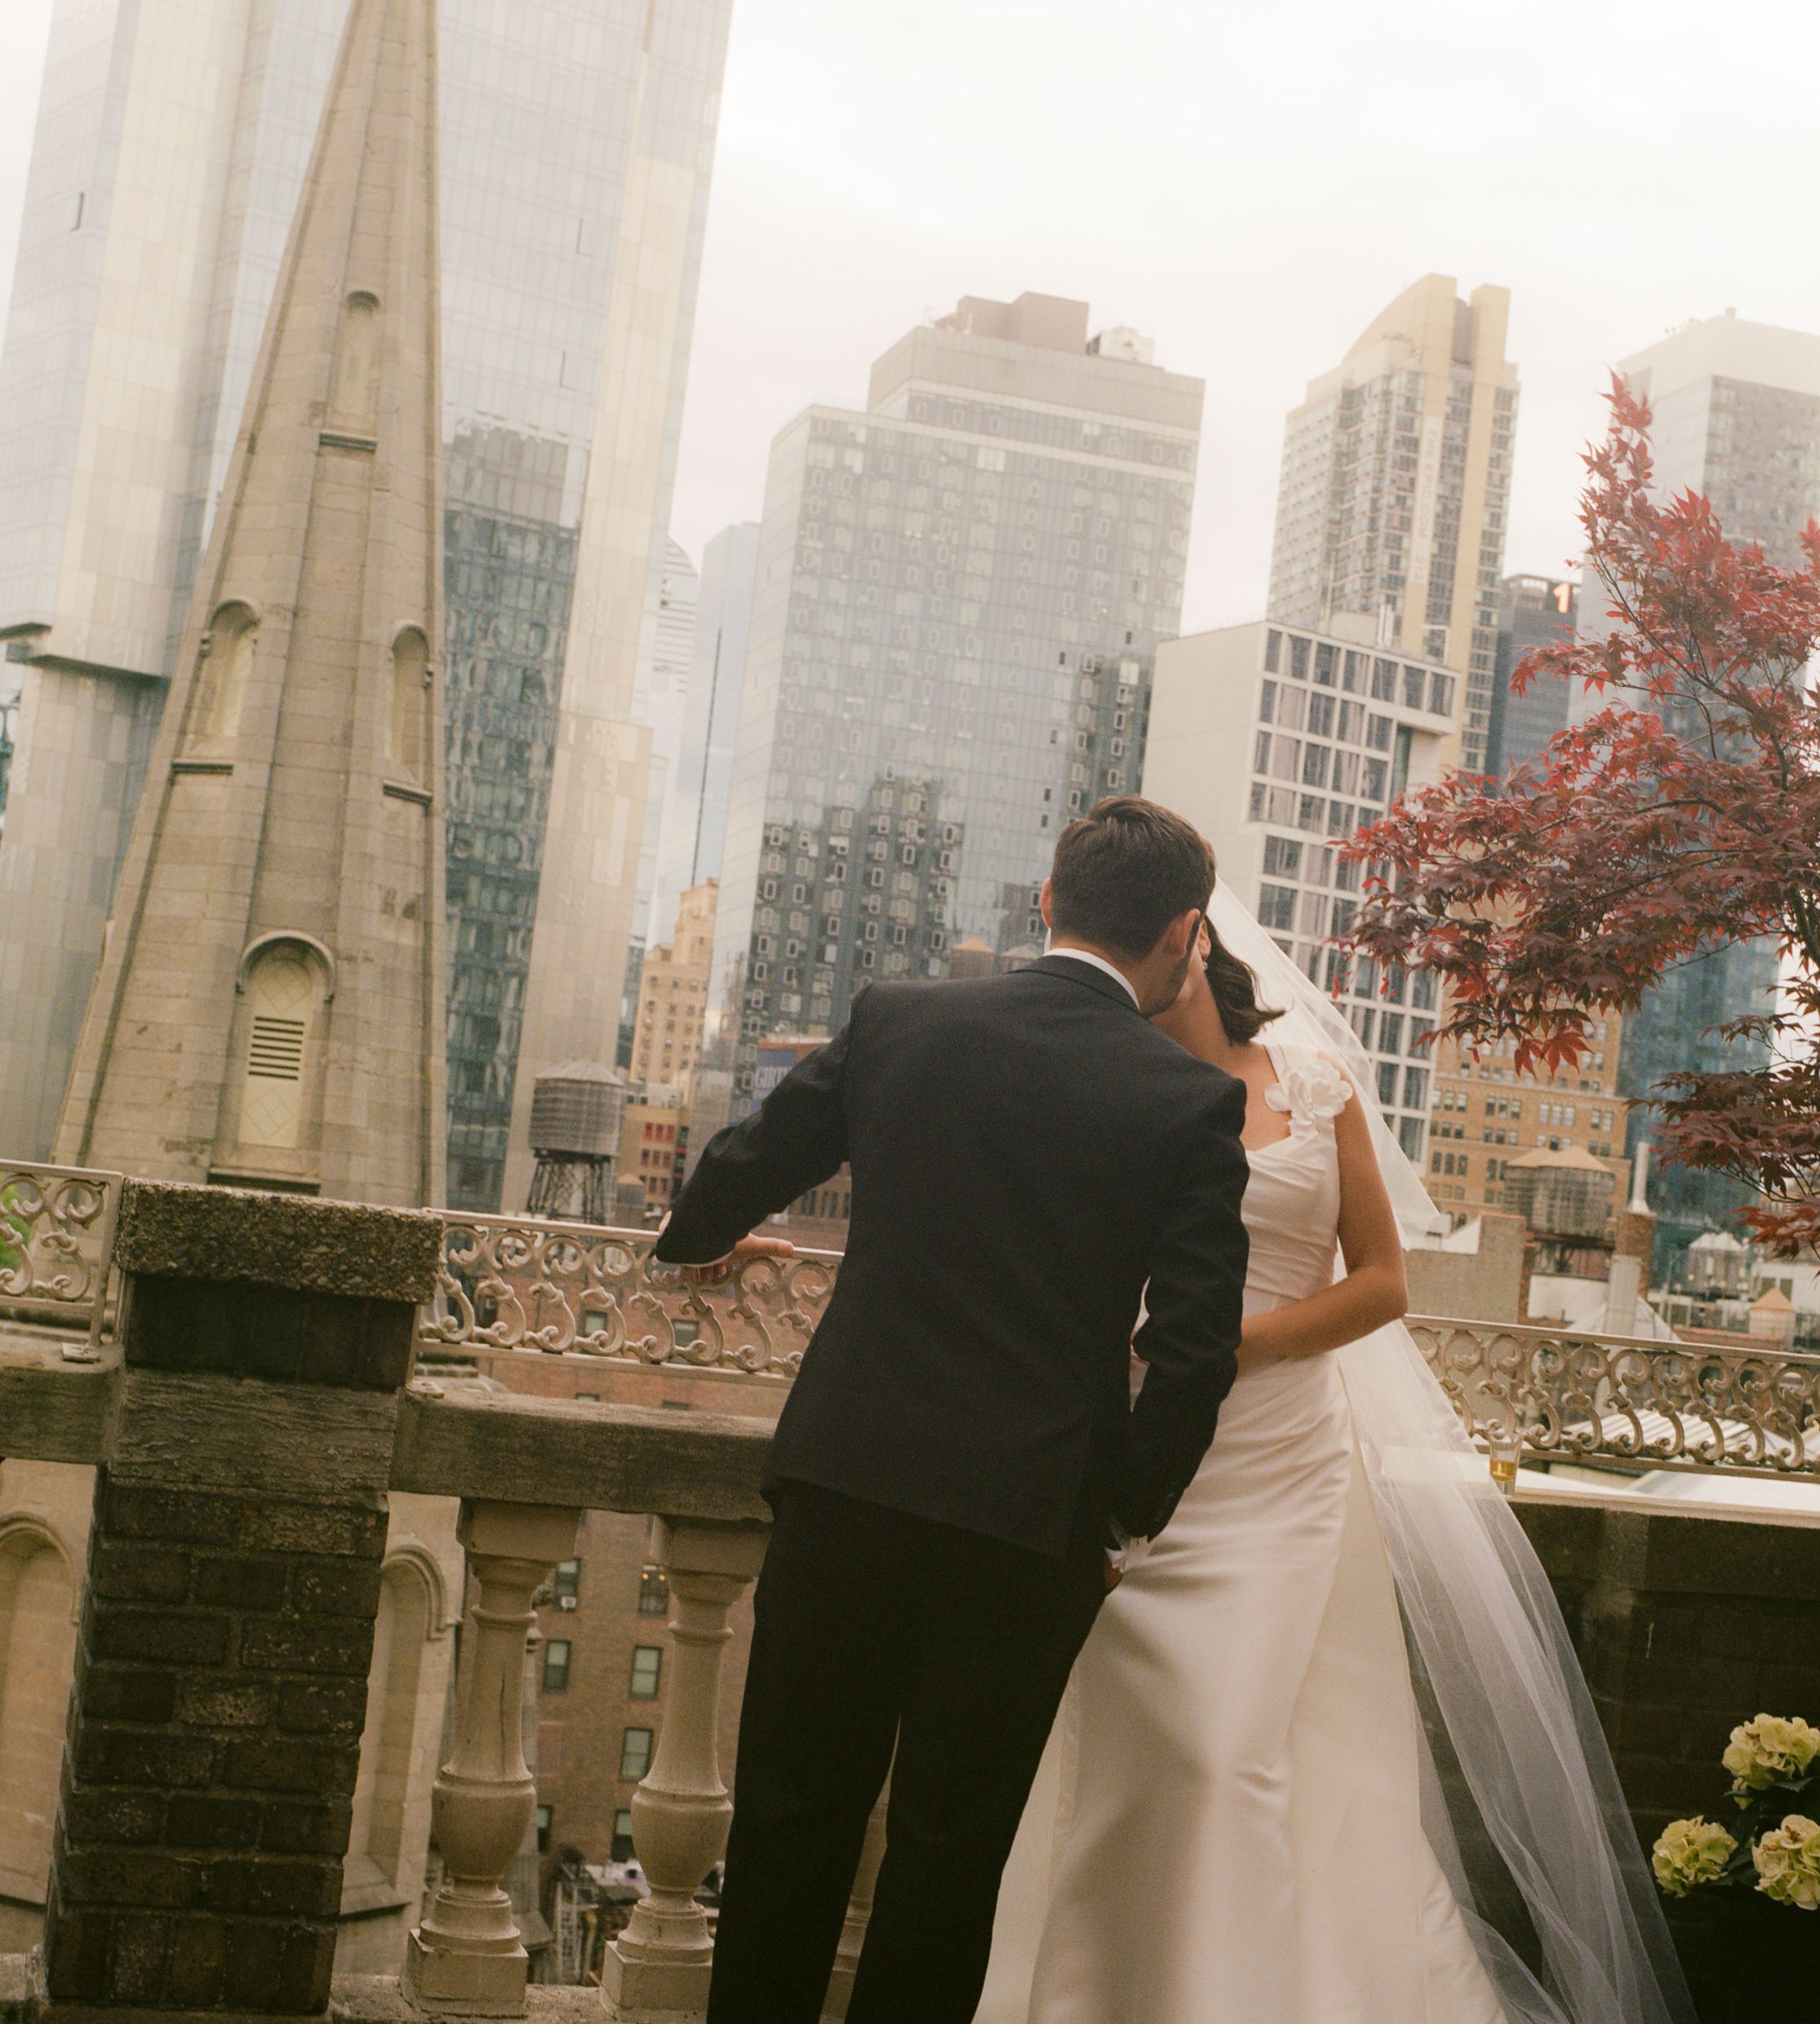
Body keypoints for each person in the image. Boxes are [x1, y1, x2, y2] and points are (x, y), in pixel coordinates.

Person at [978, 888, 1696, 2024]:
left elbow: (1381, 1283)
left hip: (1277, 1466)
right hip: (1127, 1463)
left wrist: (1220, 1352)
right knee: (1128, 1742)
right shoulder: (1103, 1079)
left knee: (1223, 1749)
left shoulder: (1310, 1086)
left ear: (1195, 943)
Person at [652, 797, 1253, 2024]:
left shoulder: (903, 1020)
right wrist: (1120, 1514)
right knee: (944, 1858)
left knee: (788, 1823)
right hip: (1026, 1528)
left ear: (1048, 901)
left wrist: (692, 1239)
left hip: (848, 1478)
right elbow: (1195, 1353)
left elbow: (752, 1161)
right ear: (1187, 932)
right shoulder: (1188, 1102)